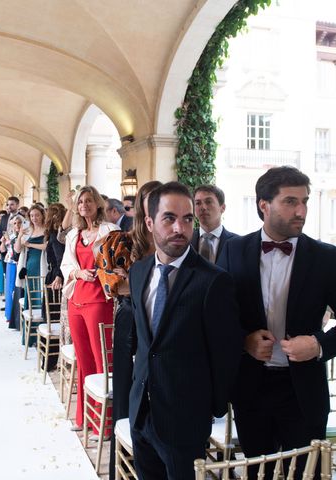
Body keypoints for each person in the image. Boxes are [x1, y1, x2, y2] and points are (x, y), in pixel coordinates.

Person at [218, 166, 336, 480]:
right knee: (258, 472)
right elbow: (218, 316)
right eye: (290, 202)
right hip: (251, 389)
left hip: (303, 392)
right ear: (264, 205)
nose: (301, 210)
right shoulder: (233, 250)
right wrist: (243, 340)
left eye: (304, 201)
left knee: (306, 474)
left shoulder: (326, 258)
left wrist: (318, 345)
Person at [127, 181, 242, 480]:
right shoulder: (138, 272)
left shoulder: (213, 281)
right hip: (141, 412)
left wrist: (210, 408)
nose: (180, 227)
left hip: (184, 417)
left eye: (187, 219)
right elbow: (145, 343)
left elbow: (225, 353)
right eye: (169, 218)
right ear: (150, 222)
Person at [95, 180, 162, 479]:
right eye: (149, 200)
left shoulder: (174, 241)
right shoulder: (120, 240)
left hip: (163, 322)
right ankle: (123, 466)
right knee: (127, 392)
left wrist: (131, 279)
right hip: (129, 321)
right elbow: (112, 283)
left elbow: (128, 282)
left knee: (161, 390)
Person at [60, 186, 119, 432]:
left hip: (98, 300)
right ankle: (85, 418)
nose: (84, 204)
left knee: (101, 360)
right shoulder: (74, 234)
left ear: (97, 204)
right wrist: (78, 272)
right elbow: (66, 265)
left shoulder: (110, 230)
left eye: (88, 200)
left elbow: (120, 261)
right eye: (80, 201)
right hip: (76, 300)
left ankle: (104, 424)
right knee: (83, 360)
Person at [14, 205, 47, 347]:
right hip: (29, 267)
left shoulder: (46, 230)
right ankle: (30, 338)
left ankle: (40, 336)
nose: (34, 218)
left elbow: (46, 246)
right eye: (32, 216)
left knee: (41, 298)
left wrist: (30, 244)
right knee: (31, 299)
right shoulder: (28, 230)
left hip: (42, 266)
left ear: (42, 215)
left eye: (37, 215)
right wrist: (20, 234)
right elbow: (17, 249)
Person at [192, 185, 237, 264]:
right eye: (198, 203)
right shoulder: (186, 240)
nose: (203, 207)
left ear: (222, 208)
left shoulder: (237, 243)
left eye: (208, 202)